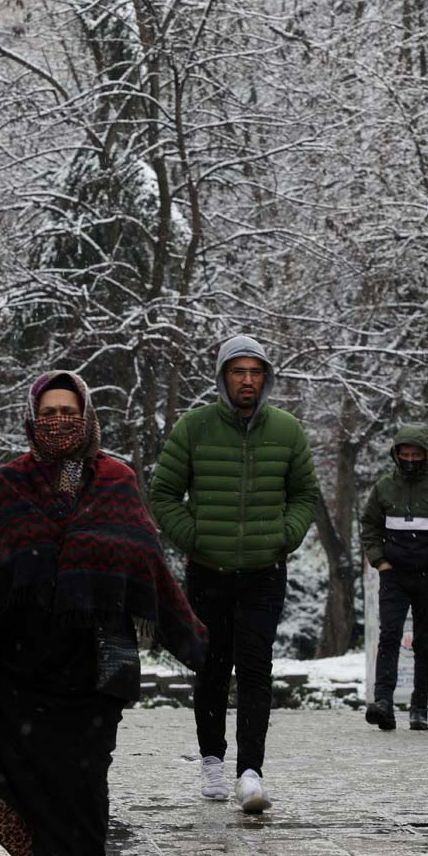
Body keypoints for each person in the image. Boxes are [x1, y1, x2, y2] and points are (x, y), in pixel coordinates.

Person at [0, 371, 207, 856]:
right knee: (29, 780)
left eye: (69, 411)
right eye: (49, 412)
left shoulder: (116, 481)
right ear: (32, 419)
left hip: (95, 663)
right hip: (21, 663)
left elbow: (148, 566)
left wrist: (192, 640)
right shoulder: (7, 483)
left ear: (86, 416)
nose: (59, 421)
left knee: (84, 785)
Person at [150, 334, 318, 812]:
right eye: (238, 371)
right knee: (211, 667)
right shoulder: (195, 427)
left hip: (265, 570)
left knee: (256, 668)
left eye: (255, 371)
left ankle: (251, 772)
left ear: (266, 378)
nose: (247, 380)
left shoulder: (286, 430)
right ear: (222, 377)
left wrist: (285, 534)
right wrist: (196, 536)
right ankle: (211, 760)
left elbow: (305, 493)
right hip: (209, 570)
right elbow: (163, 494)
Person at [361, 424, 428, 732]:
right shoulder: (384, 487)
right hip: (393, 575)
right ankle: (383, 702)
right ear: (396, 455)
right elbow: (369, 525)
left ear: (426, 455)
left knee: (424, 641)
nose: (410, 459)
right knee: (389, 636)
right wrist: (379, 561)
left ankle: (419, 706)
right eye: (404, 454)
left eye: (416, 454)